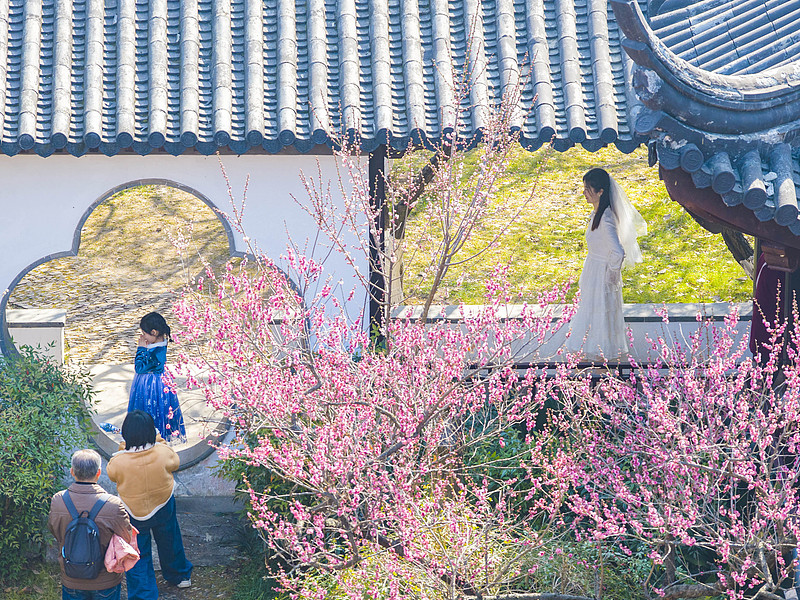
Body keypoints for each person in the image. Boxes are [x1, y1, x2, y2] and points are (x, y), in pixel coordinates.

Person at [106, 410, 192, 599]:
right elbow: (175, 462)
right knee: (170, 539)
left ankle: (143, 594)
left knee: (136, 551)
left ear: (126, 434)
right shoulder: (162, 452)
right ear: (152, 433)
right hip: (162, 505)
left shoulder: (119, 461)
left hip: (132, 511)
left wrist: (123, 447)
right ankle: (179, 575)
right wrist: (159, 441)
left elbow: (112, 473)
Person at [565, 167, 647, 361]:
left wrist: (611, 273)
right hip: (594, 269)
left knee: (600, 312)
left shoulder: (606, 218)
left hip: (600, 273)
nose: (584, 193)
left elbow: (618, 251)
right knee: (594, 310)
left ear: (600, 191)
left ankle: (600, 356)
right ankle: (593, 354)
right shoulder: (597, 214)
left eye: (588, 189)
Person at [48, 449, 133, 600]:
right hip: (105, 581)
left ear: (72, 472)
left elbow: (55, 531)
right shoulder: (113, 504)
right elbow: (127, 537)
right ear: (99, 473)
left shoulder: (58, 500)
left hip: (71, 578)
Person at [128, 311, 186, 442]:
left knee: (152, 409)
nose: (143, 337)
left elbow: (139, 367)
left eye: (144, 333)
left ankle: (152, 438)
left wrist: (141, 349)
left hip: (151, 385)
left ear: (154, 332)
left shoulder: (156, 352)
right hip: (156, 379)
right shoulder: (161, 342)